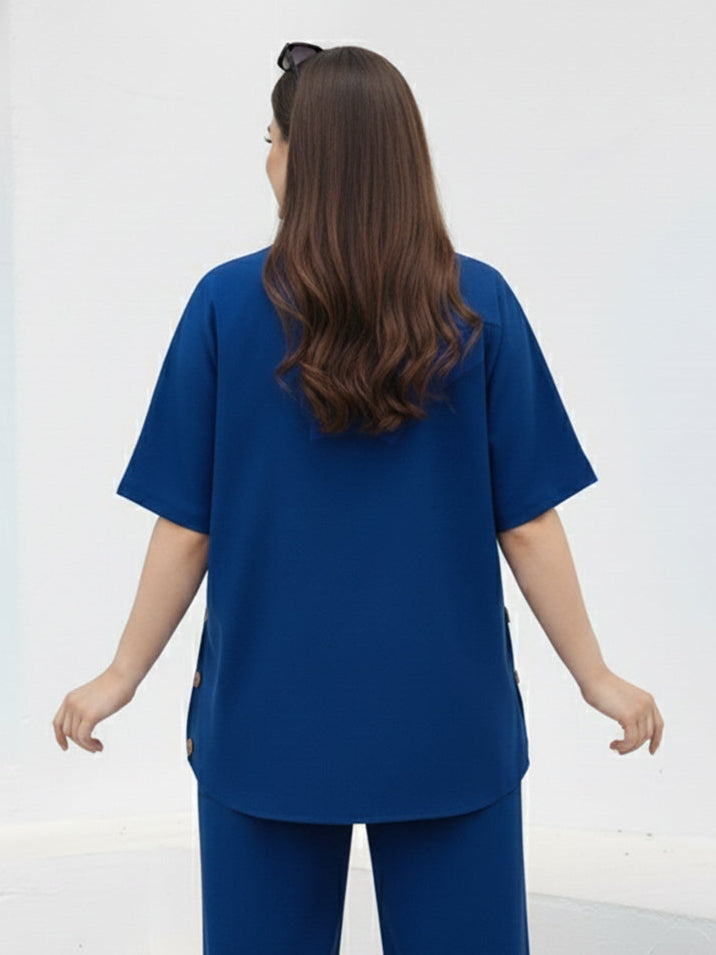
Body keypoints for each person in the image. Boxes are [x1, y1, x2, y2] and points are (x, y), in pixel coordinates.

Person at [52, 43, 664, 955]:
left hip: (266, 721)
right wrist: (596, 676)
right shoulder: (478, 303)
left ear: (307, 157)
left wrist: (120, 675)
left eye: (271, 139)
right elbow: (529, 523)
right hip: (447, 720)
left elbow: (187, 529)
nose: (266, 159)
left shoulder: (224, 305)